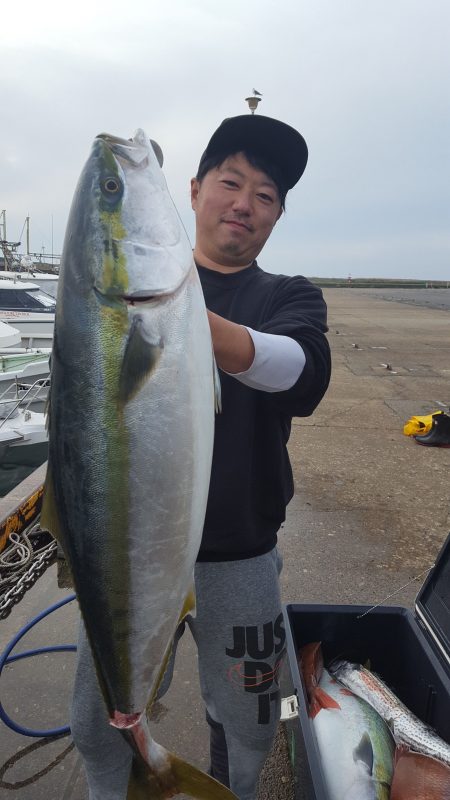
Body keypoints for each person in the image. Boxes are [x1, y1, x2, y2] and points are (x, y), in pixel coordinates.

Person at [71, 114, 331, 800]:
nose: (245, 203)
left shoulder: (288, 297)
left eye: (267, 194)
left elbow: (303, 375)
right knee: (96, 727)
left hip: (242, 556)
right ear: (192, 190)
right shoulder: (129, 312)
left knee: (252, 721)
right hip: (125, 565)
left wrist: (179, 318)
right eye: (231, 181)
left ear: (276, 216)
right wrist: (155, 313)